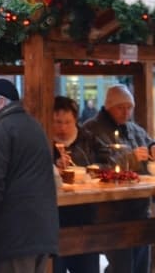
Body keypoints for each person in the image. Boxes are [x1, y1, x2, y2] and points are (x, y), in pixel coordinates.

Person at [0, 79, 58, 273]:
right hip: (39, 232)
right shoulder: (33, 125)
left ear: (1, 102)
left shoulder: (0, 130)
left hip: (14, 235)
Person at [81, 83, 155, 273]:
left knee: (141, 263)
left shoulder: (134, 129)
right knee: (123, 265)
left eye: (130, 108)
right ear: (108, 106)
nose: (126, 112)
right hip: (110, 210)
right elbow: (94, 168)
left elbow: (151, 143)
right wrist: (131, 157)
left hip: (139, 205)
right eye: (121, 107)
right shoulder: (91, 129)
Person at [50, 96, 99, 273]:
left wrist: (93, 170)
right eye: (57, 122)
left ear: (75, 121)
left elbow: (108, 159)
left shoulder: (87, 139)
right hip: (55, 219)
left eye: (67, 122)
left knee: (87, 266)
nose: (62, 127)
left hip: (84, 216)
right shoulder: (43, 143)